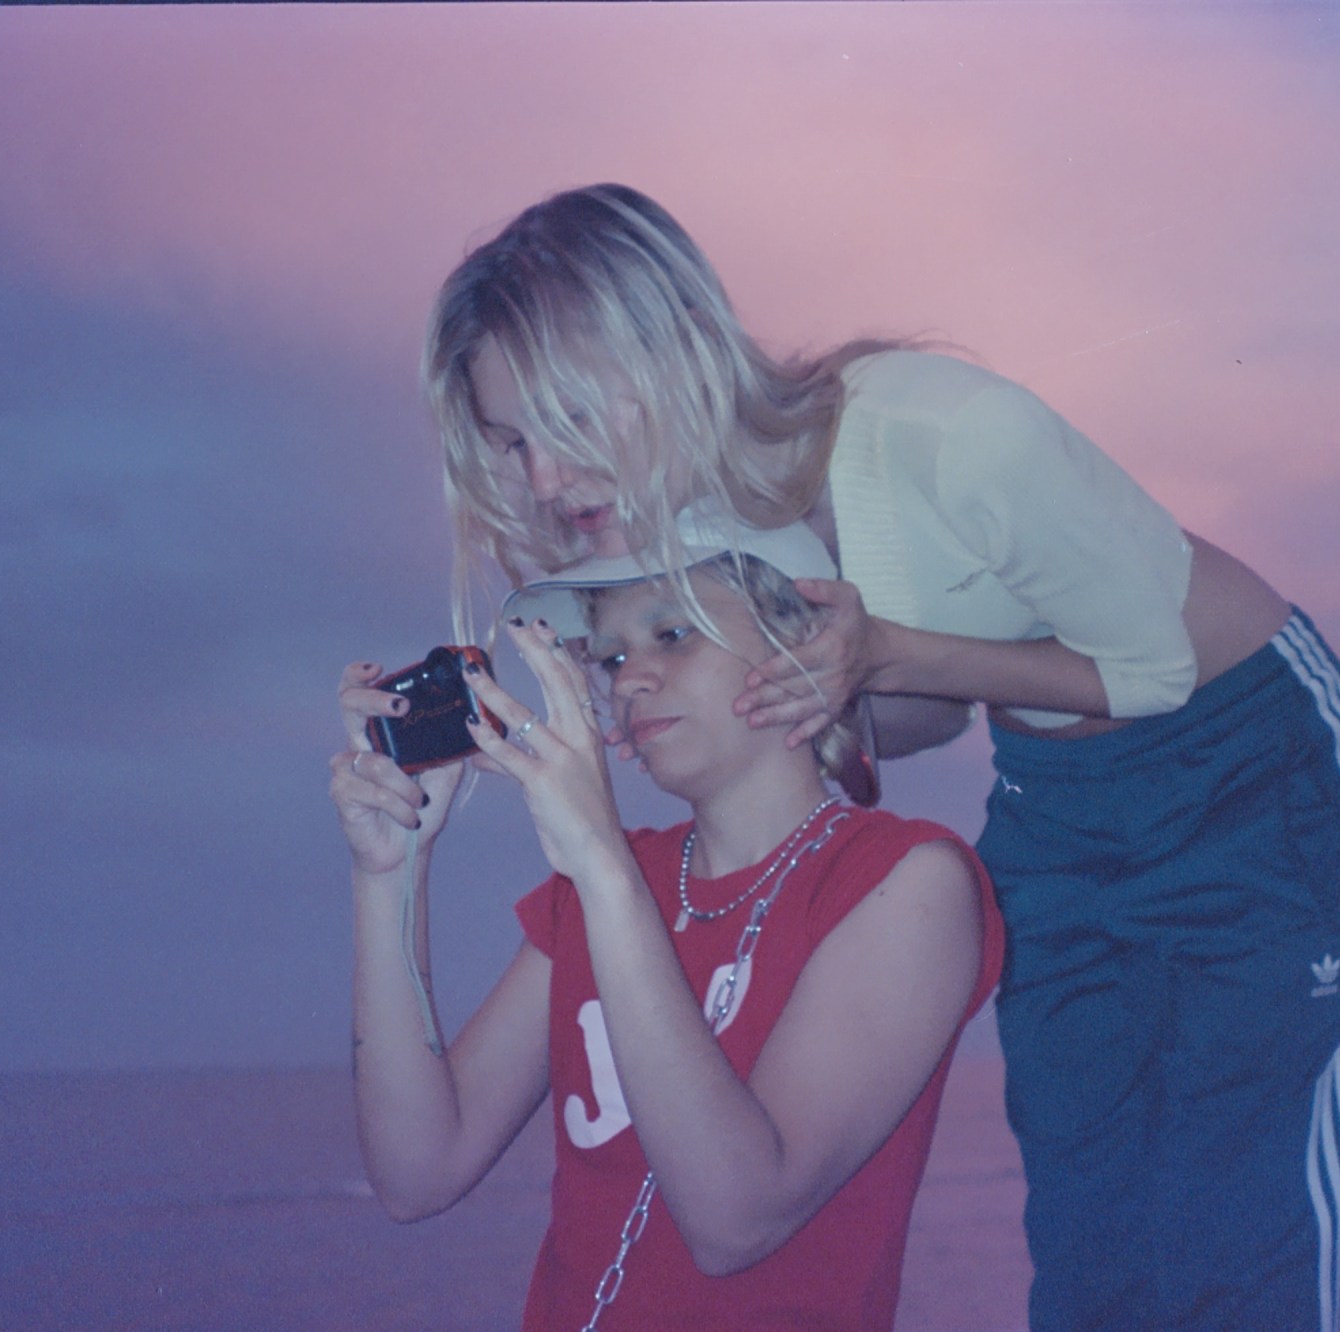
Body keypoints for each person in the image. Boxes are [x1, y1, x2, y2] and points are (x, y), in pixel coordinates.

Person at [423, 182, 1340, 1332]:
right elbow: (886, 734)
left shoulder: (940, 435)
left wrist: (877, 651)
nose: (539, 480)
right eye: (512, 442)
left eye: (561, 426)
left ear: (660, 354)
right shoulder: (715, 548)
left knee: (1247, 1225)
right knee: (1087, 1234)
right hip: (1056, 792)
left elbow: (1152, 670)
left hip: (1244, 751)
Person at [331, 519, 1003, 1330]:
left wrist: (604, 871)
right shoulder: (607, 883)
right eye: (610, 659)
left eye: (672, 635)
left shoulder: (907, 880)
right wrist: (391, 872)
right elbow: (417, 1173)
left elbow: (737, 1220)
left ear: (803, 648)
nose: (631, 680)